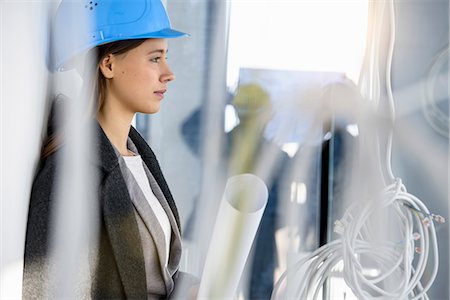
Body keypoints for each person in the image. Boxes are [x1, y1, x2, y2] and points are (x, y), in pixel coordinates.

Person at [22, 0, 194, 299]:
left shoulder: (137, 157)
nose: (168, 73)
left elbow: (156, 277)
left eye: (166, 57)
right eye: (155, 58)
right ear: (109, 64)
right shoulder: (69, 177)